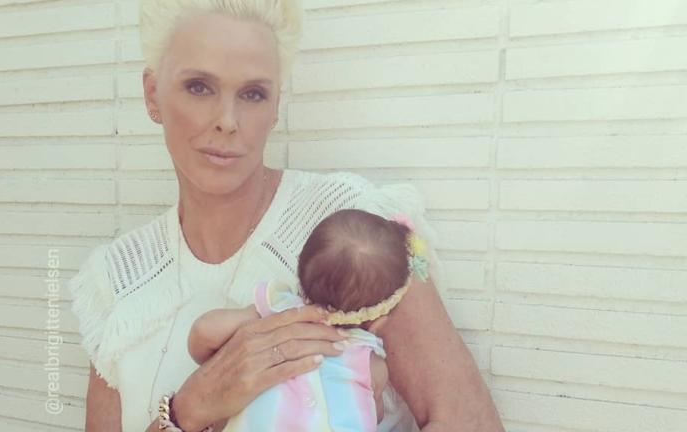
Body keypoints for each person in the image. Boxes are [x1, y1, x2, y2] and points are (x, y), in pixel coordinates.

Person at [68, 1, 505, 431]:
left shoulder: (351, 229)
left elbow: (471, 423)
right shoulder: (115, 282)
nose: (227, 120)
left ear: (276, 106)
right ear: (152, 94)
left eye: (253, 94)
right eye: (199, 87)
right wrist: (191, 409)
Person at [188, 209, 429, 431]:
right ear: (379, 320)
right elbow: (373, 416)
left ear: (301, 278)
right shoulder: (370, 364)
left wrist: (220, 353)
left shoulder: (277, 311)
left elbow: (204, 331)